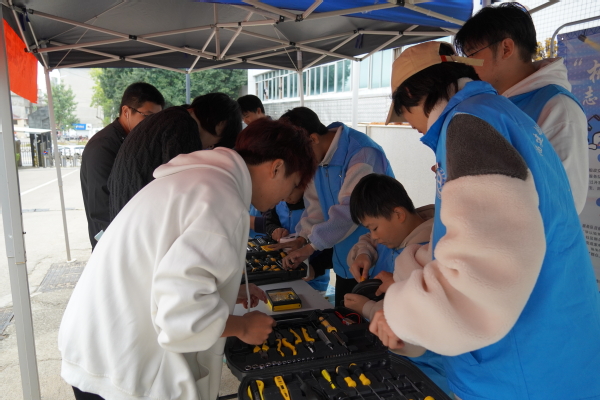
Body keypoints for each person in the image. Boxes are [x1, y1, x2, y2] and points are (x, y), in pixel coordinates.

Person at [372, 41, 600, 400]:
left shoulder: (468, 125)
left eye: (403, 112)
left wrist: (401, 314)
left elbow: (483, 276)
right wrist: (413, 268)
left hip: (521, 371)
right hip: (557, 352)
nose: (410, 125)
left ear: (414, 94)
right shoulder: (501, 114)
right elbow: (490, 234)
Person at [58, 118, 317, 400]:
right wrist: (242, 327)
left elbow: (167, 271)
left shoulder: (200, 181)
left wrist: (226, 293)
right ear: (276, 168)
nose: (285, 198)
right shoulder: (222, 200)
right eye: (292, 184)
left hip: (99, 344)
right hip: (120, 366)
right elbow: (181, 317)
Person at [454, 2, 588, 213]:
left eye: (472, 54)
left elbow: (566, 202)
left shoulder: (557, 107)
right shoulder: (493, 103)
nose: (468, 64)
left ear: (506, 48)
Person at [274, 107, 394, 306]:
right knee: (344, 316)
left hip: (375, 259)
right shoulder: (319, 159)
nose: (300, 164)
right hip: (345, 260)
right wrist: (302, 238)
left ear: (313, 139)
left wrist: (311, 246)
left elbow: (350, 211)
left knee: (371, 319)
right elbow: (315, 206)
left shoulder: (362, 153)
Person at [341, 174, 449, 394]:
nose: (373, 236)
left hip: (428, 368)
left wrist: (367, 308)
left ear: (398, 214)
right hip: (397, 355)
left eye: (374, 228)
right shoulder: (400, 231)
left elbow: (414, 322)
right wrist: (364, 253)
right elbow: (368, 240)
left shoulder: (427, 254)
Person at [108, 92, 242, 221]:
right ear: (220, 126)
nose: (207, 148)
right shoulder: (184, 127)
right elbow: (183, 192)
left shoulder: (170, 117)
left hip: (125, 216)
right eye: (213, 145)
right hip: (139, 219)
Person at [80, 82, 165, 249]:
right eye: (147, 117)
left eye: (157, 119)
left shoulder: (137, 140)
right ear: (126, 111)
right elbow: (101, 206)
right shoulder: (102, 146)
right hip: (113, 242)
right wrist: (116, 245)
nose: (153, 125)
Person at [264, 186, 332, 291]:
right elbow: (269, 221)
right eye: (282, 196)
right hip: (285, 272)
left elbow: (332, 242)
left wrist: (316, 268)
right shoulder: (280, 203)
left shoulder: (318, 205)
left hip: (314, 278)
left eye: (289, 193)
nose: (286, 199)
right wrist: (274, 230)